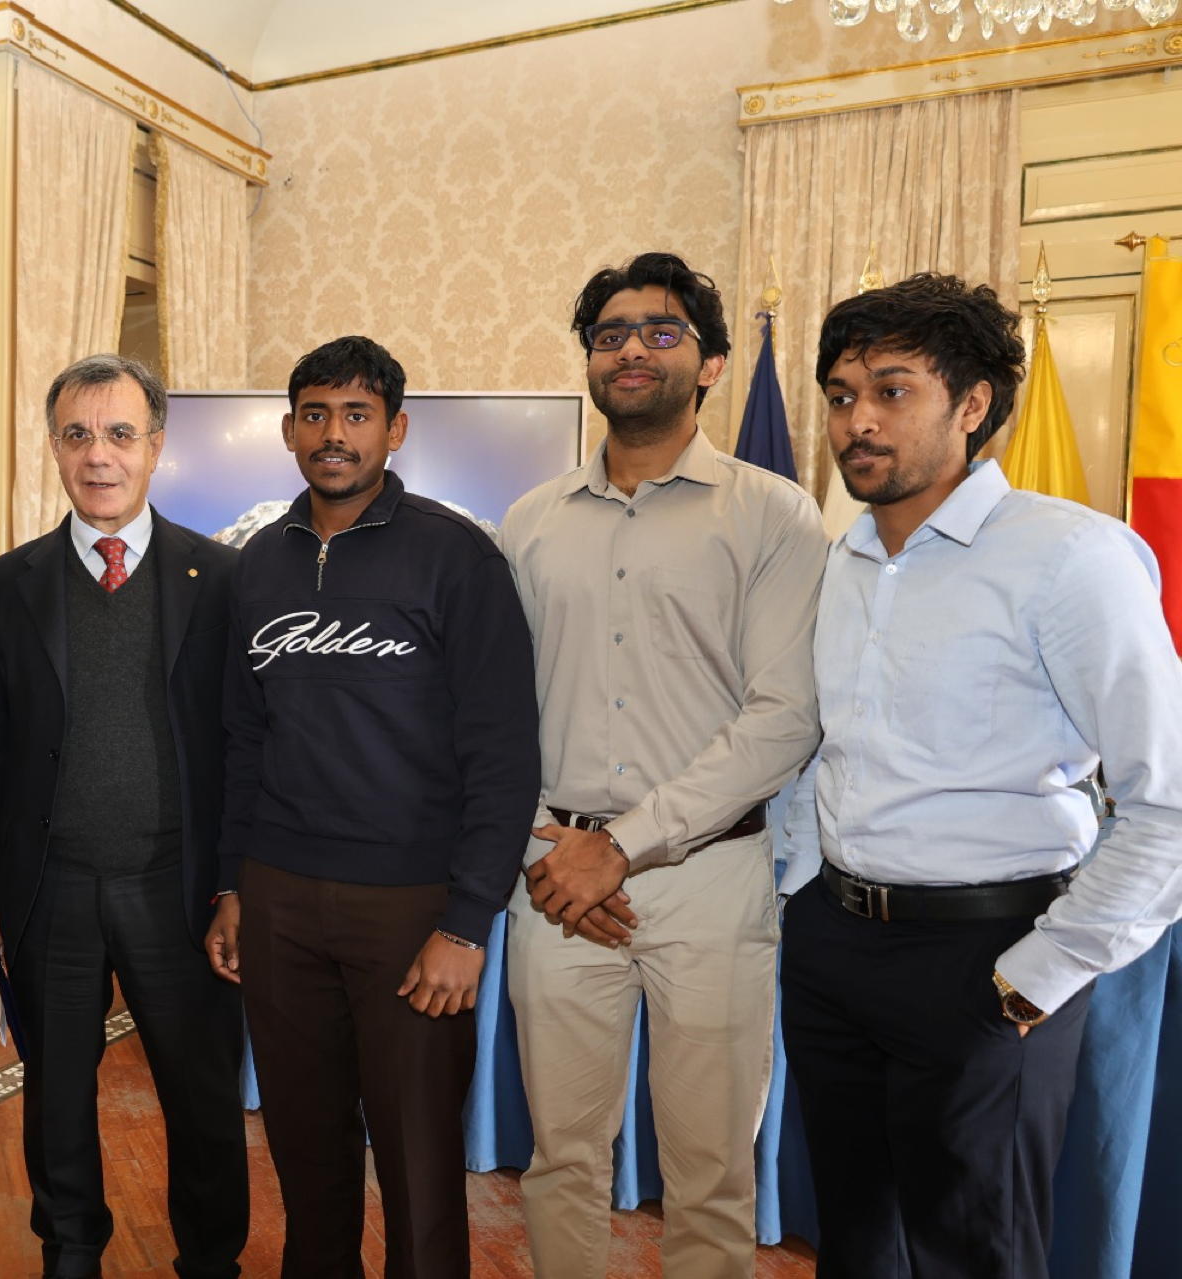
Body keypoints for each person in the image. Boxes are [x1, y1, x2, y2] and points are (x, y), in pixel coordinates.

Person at [781, 274, 1182, 1278]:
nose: (858, 421)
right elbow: (826, 749)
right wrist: (800, 902)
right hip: (837, 944)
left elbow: (1169, 798)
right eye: (841, 396)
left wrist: (1041, 972)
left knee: (976, 1254)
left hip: (987, 955)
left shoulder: (1070, 557)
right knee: (855, 1245)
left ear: (972, 404)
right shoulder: (844, 559)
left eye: (892, 390)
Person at [498, 252, 825, 1278]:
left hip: (711, 879)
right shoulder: (529, 522)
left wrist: (624, 848)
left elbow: (787, 716)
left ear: (712, 363)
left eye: (660, 330)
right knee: (560, 1160)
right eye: (610, 335)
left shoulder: (774, 513)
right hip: (555, 875)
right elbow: (494, 716)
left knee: (711, 1171)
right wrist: (550, 855)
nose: (631, 348)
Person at [205, 335, 538, 1278]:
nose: (334, 434)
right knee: (305, 1151)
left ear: (396, 429)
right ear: (288, 430)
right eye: (315, 414)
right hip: (280, 899)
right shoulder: (257, 565)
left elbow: (504, 754)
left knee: (418, 1162)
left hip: (410, 908)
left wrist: (466, 923)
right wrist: (232, 886)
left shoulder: (456, 556)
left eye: (357, 414)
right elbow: (242, 740)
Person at [0, 354, 249, 1279]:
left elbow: (247, 744)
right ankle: (71, 1249)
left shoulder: (222, 576)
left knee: (201, 1092)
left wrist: (236, 881)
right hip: (52, 887)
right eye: (77, 434)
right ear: (53, 447)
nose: (99, 455)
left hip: (178, 886)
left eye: (121, 433)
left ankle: (211, 1258)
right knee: (55, 1094)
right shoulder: (8, 583)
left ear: (156, 446)